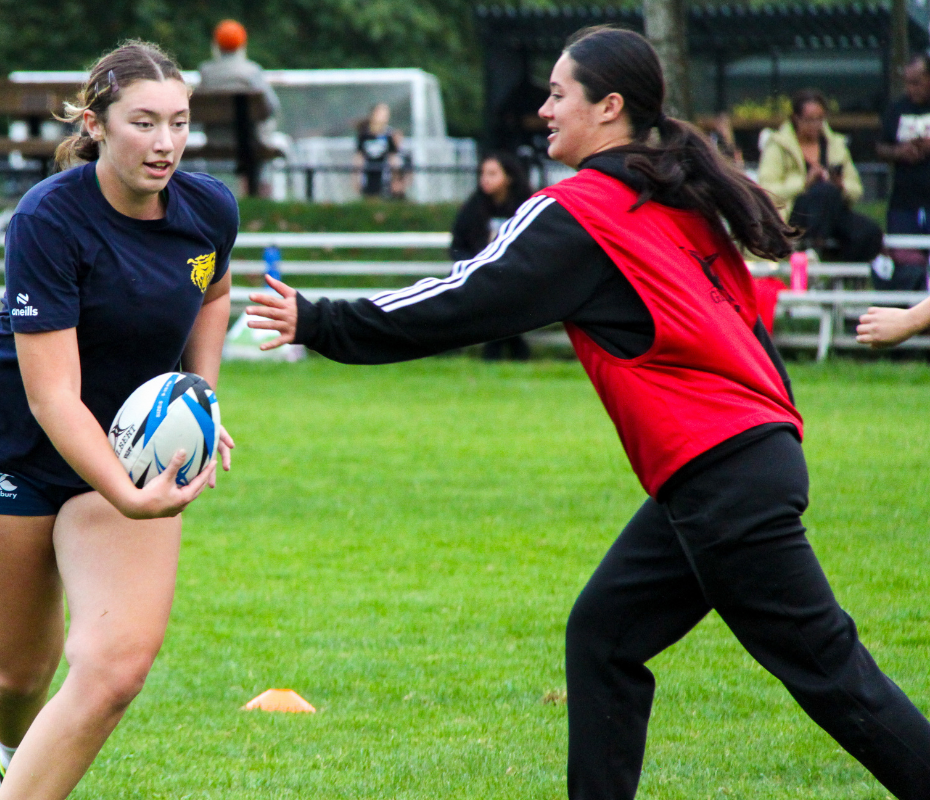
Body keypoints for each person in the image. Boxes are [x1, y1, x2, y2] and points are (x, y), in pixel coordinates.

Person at [247, 26, 930, 800]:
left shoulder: (583, 211)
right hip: (735, 464)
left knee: (834, 675)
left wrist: (321, 318)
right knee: (604, 635)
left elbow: (459, 302)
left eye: (557, 93)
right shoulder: (672, 196)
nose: (542, 109)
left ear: (609, 108)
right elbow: (746, 336)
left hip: (724, 476)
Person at [0, 39, 236, 799]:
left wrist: (198, 399)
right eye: (143, 122)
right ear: (97, 125)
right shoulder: (49, 219)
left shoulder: (208, 209)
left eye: (178, 122)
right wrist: (130, 496)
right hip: (11, 447)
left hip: (127, 452)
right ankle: (14, 750)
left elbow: (213, 292)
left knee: (113, 669)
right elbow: (52, 397)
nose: (164, 143)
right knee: (16, 675)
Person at [758, 88, 881, 264]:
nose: (816, 125)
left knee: (870, 232)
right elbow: (767, 190)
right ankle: (812, 250)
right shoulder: (778, 145)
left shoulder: (835, 144)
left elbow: (856, 189)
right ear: (796, 118)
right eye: (809, 120)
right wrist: (804, 184)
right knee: (824, 192)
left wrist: (841, 186)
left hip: (834, 211)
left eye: (820, 119)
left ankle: (840, 275)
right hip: (795, 213)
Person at [450, 152, 533, 360]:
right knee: (492, 294)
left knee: (505, 294)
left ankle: (495, 351)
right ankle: (515, 348)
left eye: (492, 173)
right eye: (483, 173)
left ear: (509, 177)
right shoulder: (474, 207)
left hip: (518, 275)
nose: (485, 179)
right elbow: (458, 245)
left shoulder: (526, 206)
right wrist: (472, 265)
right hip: (481, 275)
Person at [195, 19, 281, 196]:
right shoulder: (251, 71)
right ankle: (260, 190)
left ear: (215, 44)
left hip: (216, 140)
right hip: (249, 144)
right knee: (266, 130)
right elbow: (271, 107)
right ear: (243, 44)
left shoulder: (206, 72)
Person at [876, 52, 930, 290]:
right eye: (907, 82)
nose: (911, 88)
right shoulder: (897, 108)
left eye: (916, 82)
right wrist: (900, 152)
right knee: (907, 261)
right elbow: (880, 146)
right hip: (904, 200)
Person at [354, 102, 403, 198]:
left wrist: (396, 179)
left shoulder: (389, 135)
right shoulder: (364, 135)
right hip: (367, 176)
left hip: (384, 176)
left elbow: (393, 158)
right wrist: (355, 178)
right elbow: (359, 157)